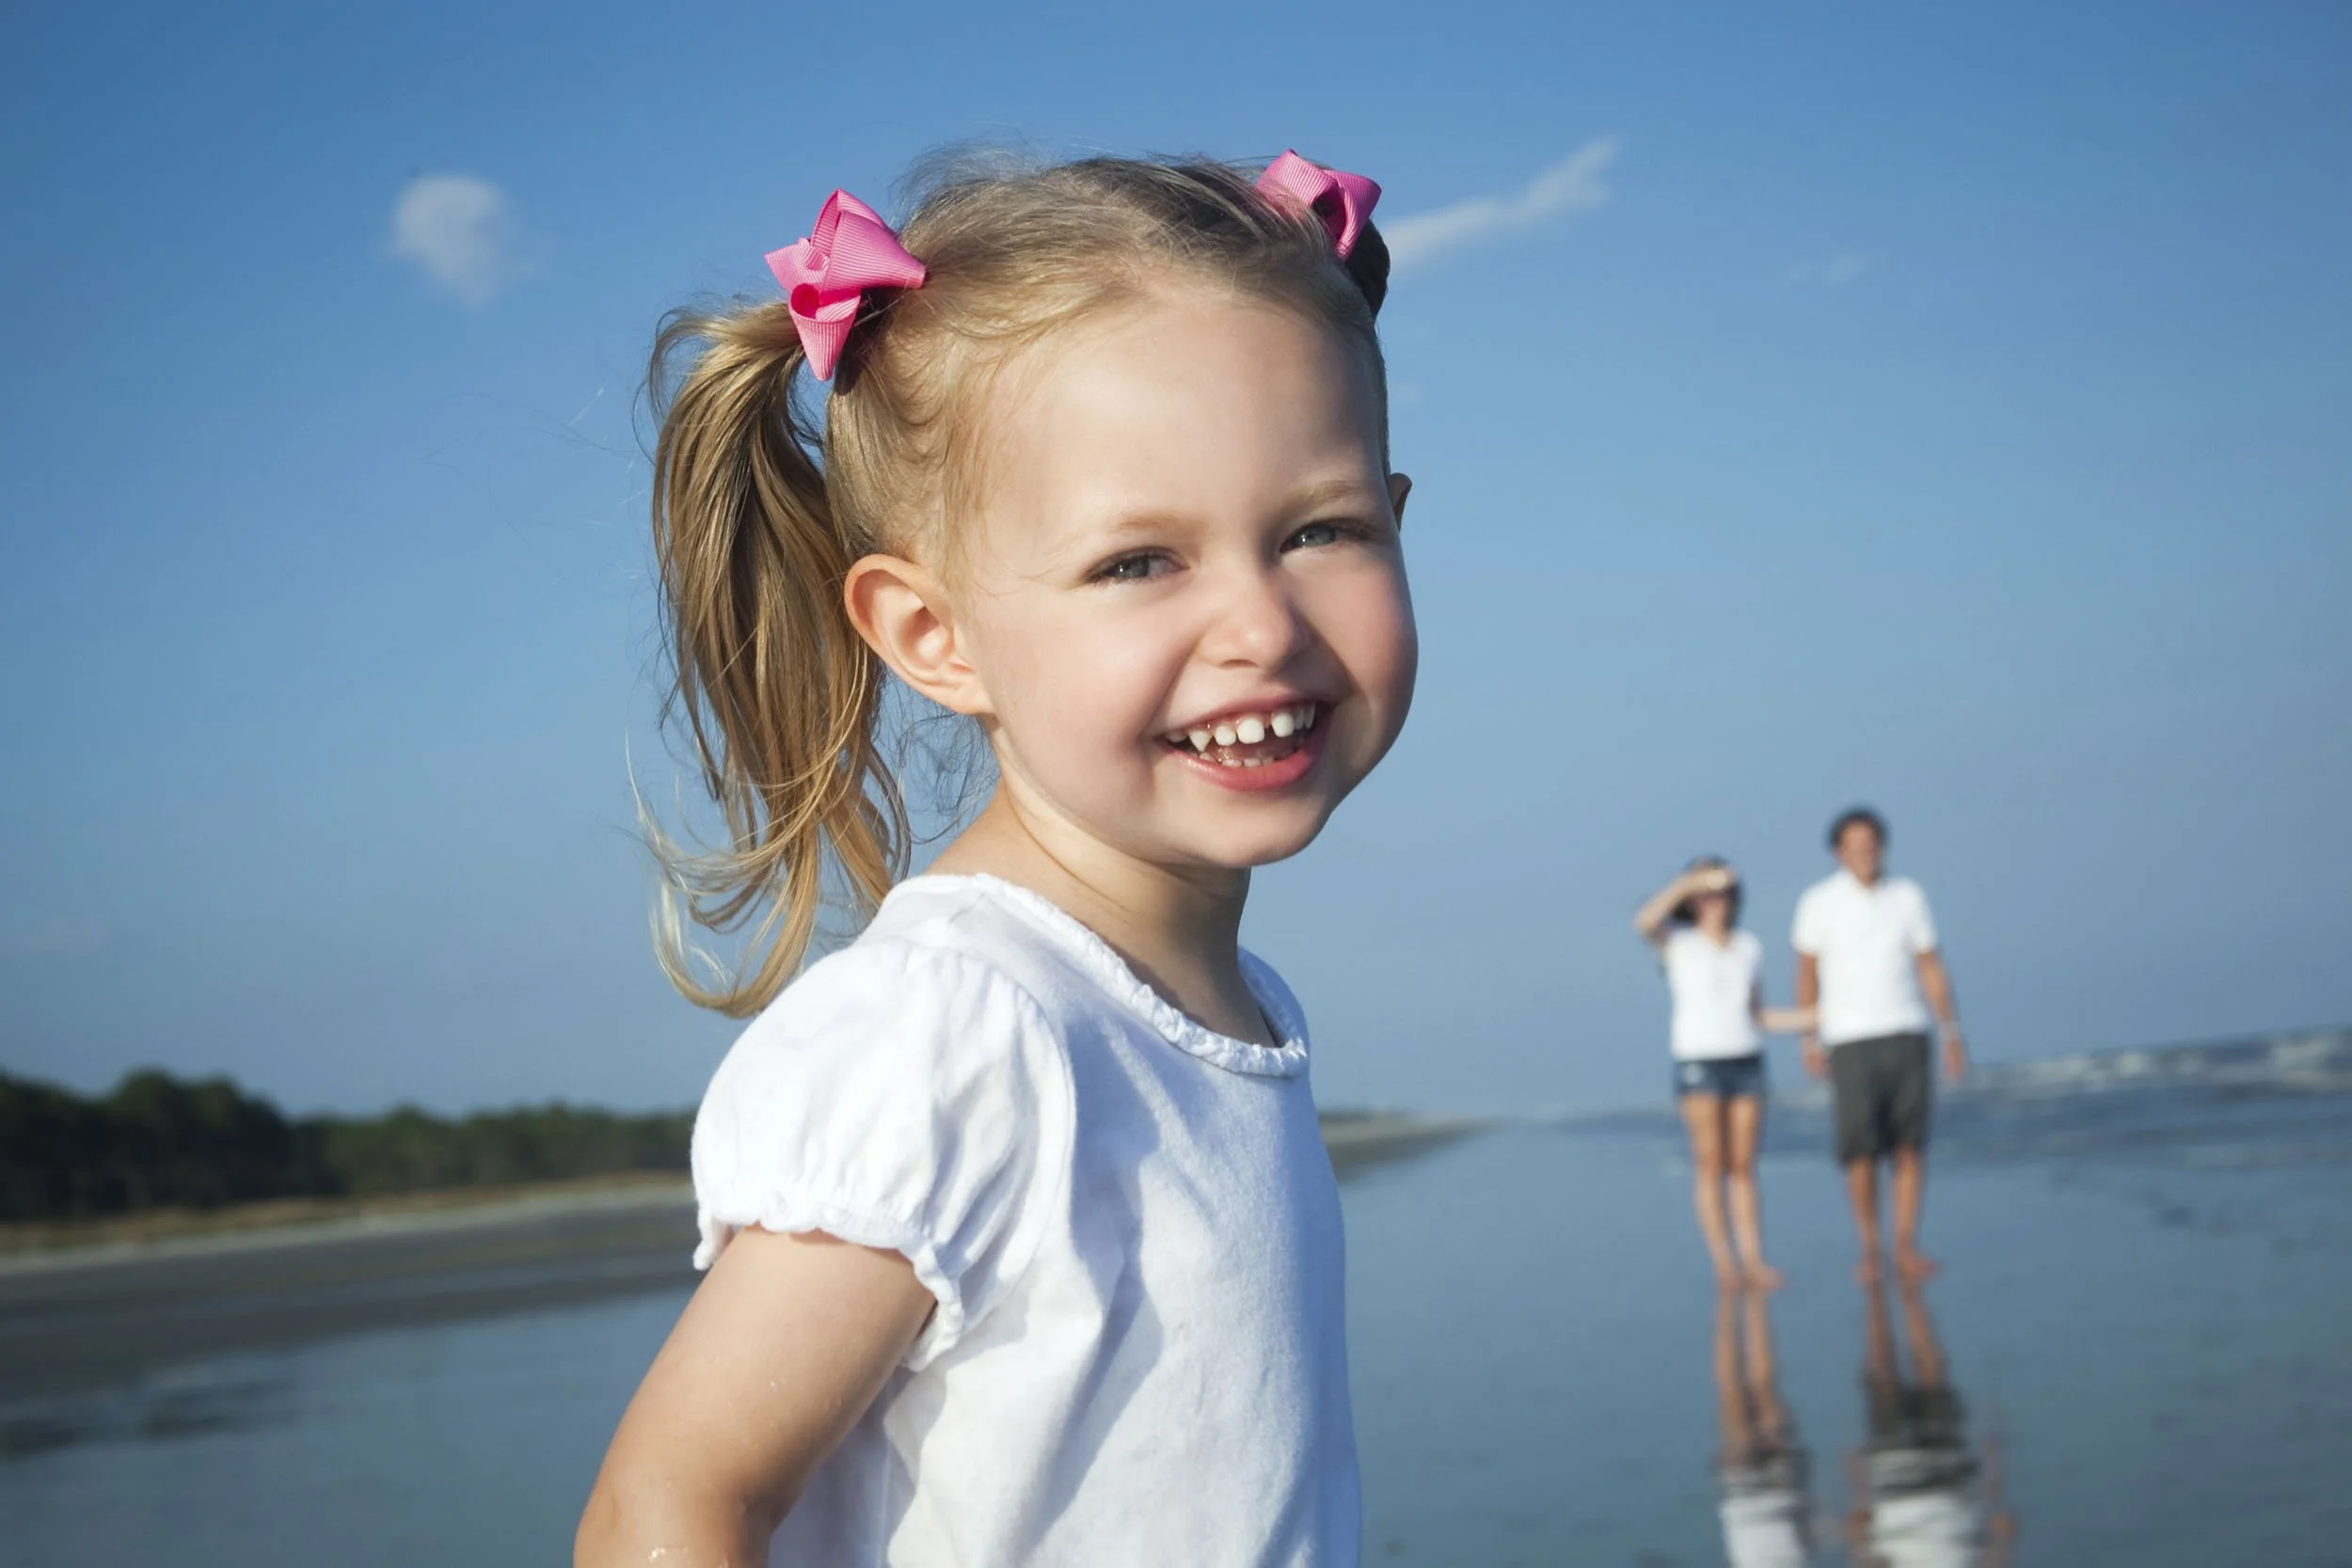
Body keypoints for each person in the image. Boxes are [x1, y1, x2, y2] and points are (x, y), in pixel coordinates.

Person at [575, 150, 1414, 1566]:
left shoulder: (1222, 1001)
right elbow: (669, 1502)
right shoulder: (960, 1028)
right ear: (931, 635)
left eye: (1321, 529)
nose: (1262, 625)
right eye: (1139, 561)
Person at [1792, 809, 1967, 1285]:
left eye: (1871, 843)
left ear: (1883, 847)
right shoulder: (1818, 902)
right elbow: (1806, 972)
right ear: (1838, 852)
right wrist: (1808, 1038)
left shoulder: (1908, 896)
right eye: (1854, 845)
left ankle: (1906, 1243)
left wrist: (1950, 1031)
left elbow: (1930, 965)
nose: (1864, 853)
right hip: (1847, 1037)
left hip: (1907, 1030)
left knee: (1909, 1147)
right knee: (1859, 1150)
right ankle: (1870, 1247)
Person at [1635, 859, 1814, 1289]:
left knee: (1743, 1166)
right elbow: (1644, 921)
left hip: (1746, 1059)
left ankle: (1754, 1259)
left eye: (1724, 893)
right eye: (1708, 894)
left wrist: (1813, 1018)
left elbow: (1758, 1014)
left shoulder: (1747, 946)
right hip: (1699, 1062)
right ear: (1693, 899)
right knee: (1710, 1163)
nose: (1717, 901)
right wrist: (1689, 881)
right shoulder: (1678, 942)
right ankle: (1724, 1263)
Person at [1843, 1279, 2018, 1567]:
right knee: (1930, 1373)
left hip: (1897, 1486)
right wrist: (1993, 1466)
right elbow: (2001, 1539)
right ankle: (1908, 1293)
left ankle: (1877, 1292)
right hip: (1947, 1482)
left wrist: (1857, 1492)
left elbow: (1861, 1547)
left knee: (1887, 1377)